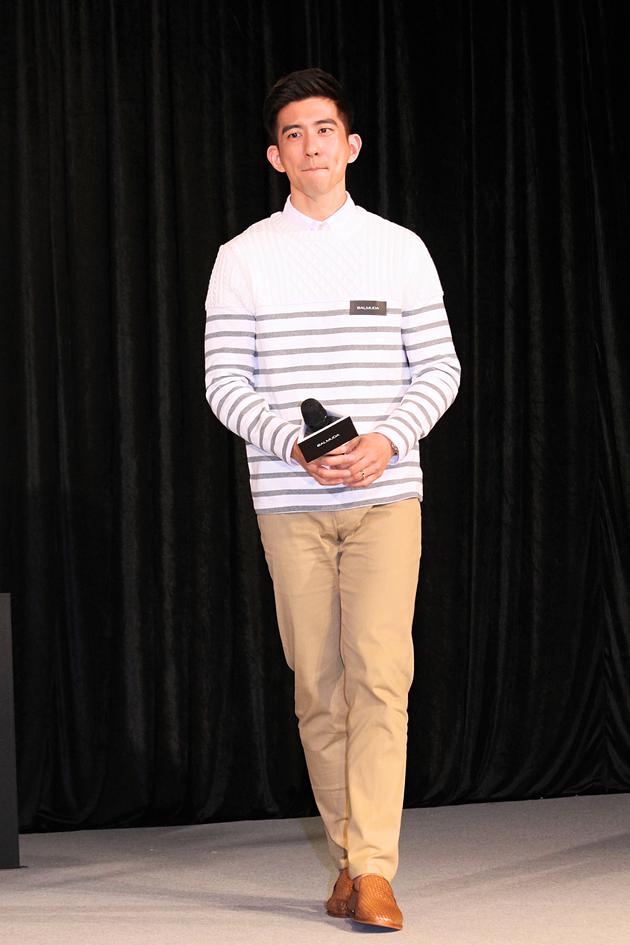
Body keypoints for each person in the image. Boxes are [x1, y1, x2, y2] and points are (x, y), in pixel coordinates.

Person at [204, 67, 460, 931]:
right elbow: (223, 380)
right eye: (294, 135)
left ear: (351, 145)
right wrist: (291, 443)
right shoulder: (242, 258)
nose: (310, 146)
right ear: (275, 156)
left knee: (381, 675)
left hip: (388, 495)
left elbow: (440, 367)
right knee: (318, 685)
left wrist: (387, 438)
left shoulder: (400, 248)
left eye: (324, 131)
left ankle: (375, 868)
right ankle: (351, 855)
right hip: (289, 500)